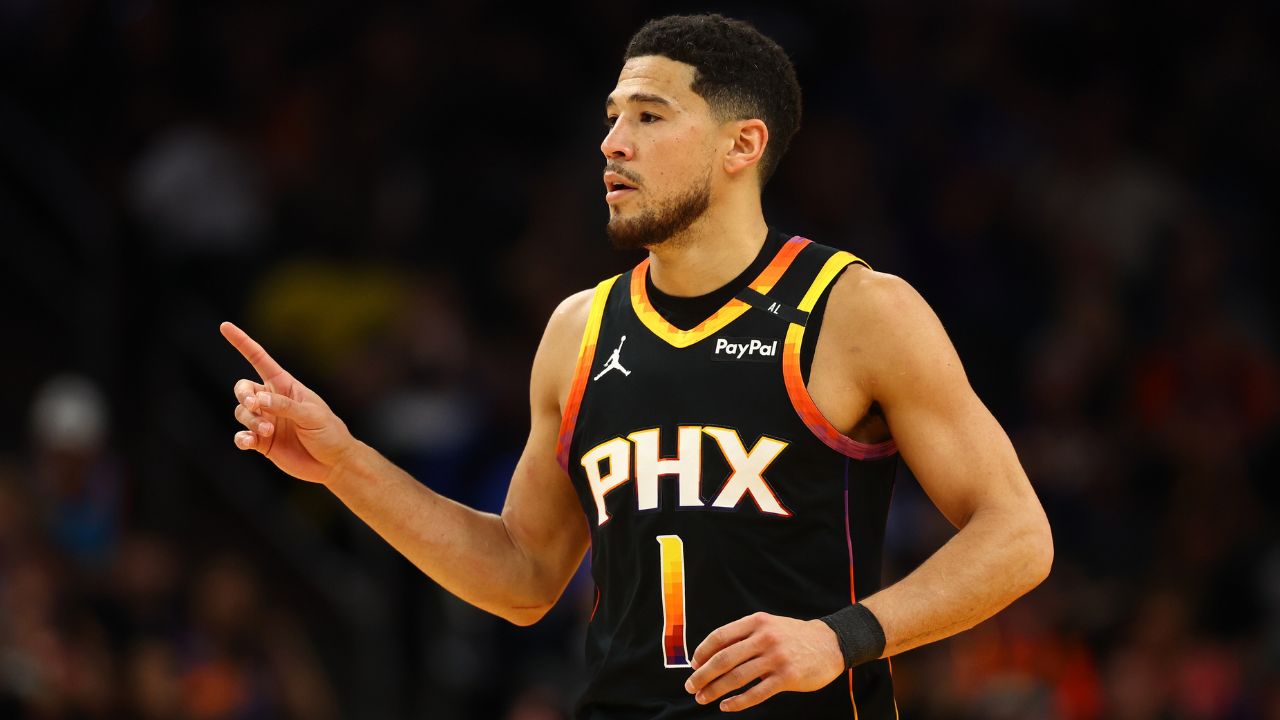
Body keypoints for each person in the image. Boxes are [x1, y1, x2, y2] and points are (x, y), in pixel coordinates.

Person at [221, 13, 1052, 719]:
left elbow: (1017, 535)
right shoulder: (578, 329)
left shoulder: (855, 310)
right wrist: (343, 464)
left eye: (649, 118)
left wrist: (840, 637)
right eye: (613, 116)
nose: (612, 143)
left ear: (742, 144)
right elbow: (523, 574)